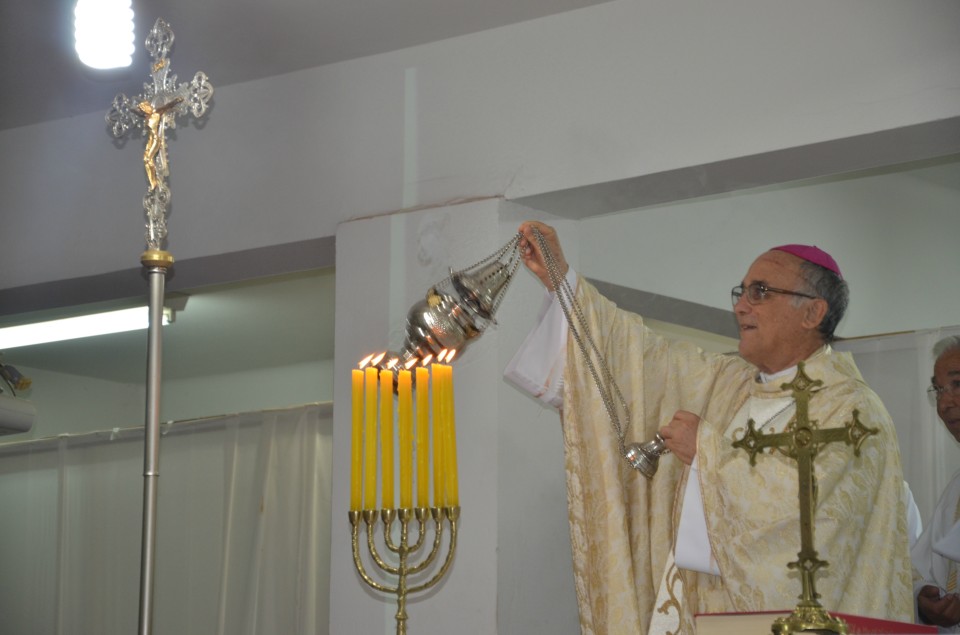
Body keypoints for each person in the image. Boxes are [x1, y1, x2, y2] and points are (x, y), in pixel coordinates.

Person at [505, 221, 913, 634]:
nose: (741, 306)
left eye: (761, 292)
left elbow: (808, 521)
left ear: (813, 311)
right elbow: (644, 359)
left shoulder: (853, 411)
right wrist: (560, 276)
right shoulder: (731, 384)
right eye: (742, 292)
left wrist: (708, 452)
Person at [912, 336, 960, 632]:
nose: (944, 403)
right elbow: (920, 567)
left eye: (957, 385)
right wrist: (924, 600)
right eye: (938, 389)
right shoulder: (956, 488)